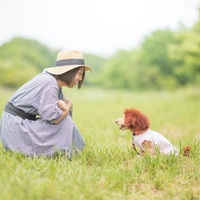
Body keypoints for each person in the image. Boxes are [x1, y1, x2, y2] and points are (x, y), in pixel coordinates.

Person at [0, 50, 94, 159]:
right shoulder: (49, 82)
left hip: (15, 124)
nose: (80, 79)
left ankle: (67, 150)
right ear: (70, 71)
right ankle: (69, 151)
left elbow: (64, 102)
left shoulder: (54, 83)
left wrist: (65, 105)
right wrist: (67, 108)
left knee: (64, 119)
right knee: (65, 122)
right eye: (80, 73)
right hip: (15, 128)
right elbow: (55, 118)